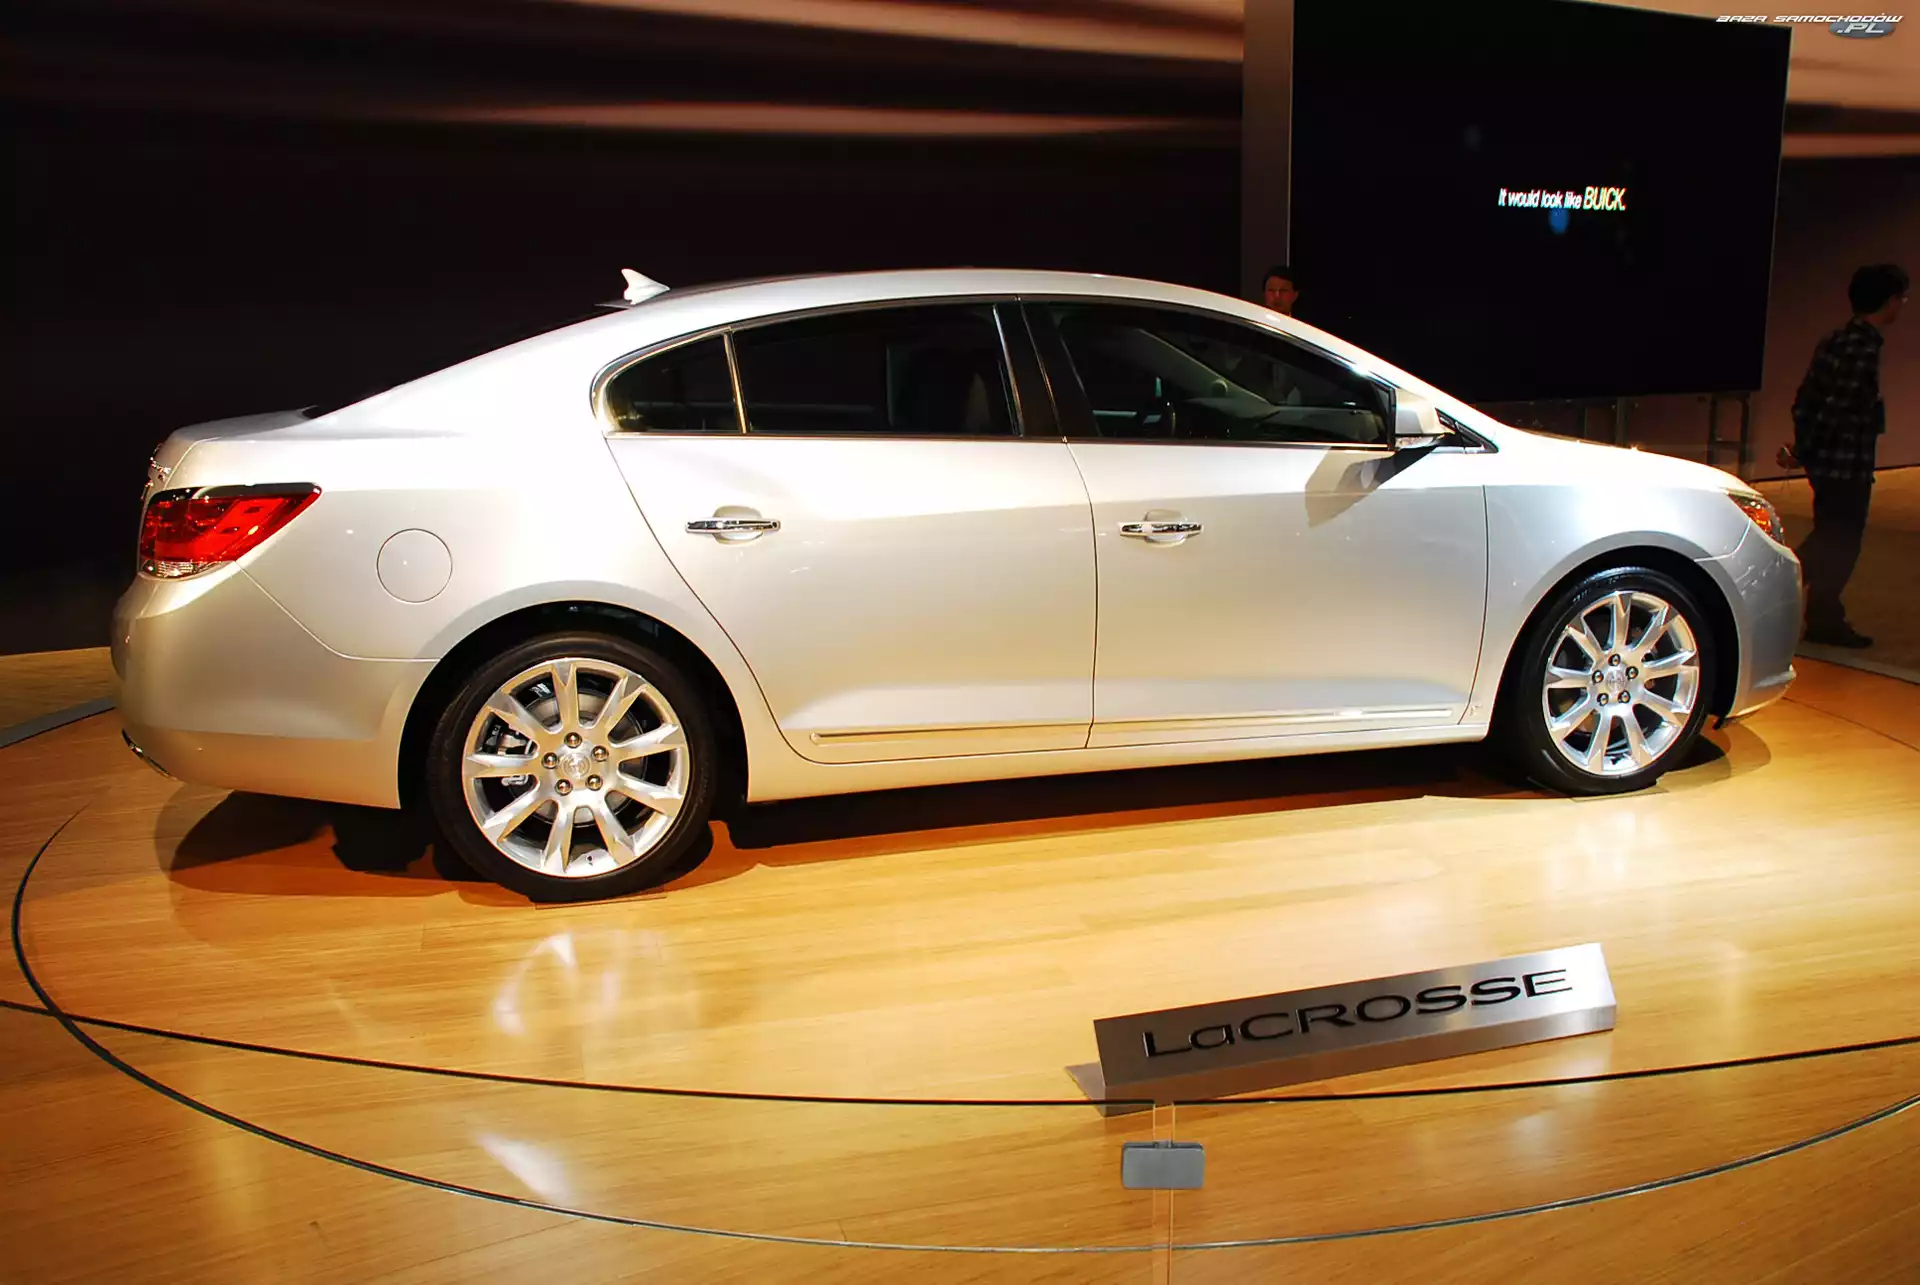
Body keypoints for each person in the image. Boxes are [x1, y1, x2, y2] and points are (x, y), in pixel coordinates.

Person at [1789, 262, 1907, 648]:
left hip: (1828, 464)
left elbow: (1806, 400)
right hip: (1845, 465)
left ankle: (1821, 613)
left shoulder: (1836, 340)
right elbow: (1837, 410)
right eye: (1901, 299)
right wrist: (1807, 448)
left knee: (1832, 535)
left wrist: (1804, 449)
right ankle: (1785, 587)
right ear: (1889, 301)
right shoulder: (1862, 348)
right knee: (1839, 540)